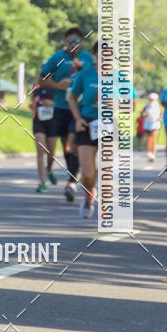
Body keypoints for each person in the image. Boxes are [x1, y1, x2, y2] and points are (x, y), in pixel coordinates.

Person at [39, 27, 93, 202]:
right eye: (69, 42)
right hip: (60, 107)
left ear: (81, 43)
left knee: (73, 143)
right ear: (64, 43)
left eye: (76, 41)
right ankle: (69, 176)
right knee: (66, 147)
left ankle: (71, 181)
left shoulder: (87, 59)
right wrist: (57, 85)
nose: (73, 45)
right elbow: (41, 79)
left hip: (79, 109)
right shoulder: (57, 58)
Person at [67, 41, 99, 218]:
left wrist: (117, 103)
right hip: (87, 123)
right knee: (87, 173)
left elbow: (131, 104)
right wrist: (78, 119)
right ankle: (89, 195)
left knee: (109, 171)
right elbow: (72, 97)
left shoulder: (119, 77)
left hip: (110, 125)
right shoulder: (85, 74)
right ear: (95, 55)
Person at [30, 84, 57, 192]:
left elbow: (64, 104)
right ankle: (42, 182)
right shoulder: (36, 87)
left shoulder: (57, 87)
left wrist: (52, 104)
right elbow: (32, 102)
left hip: (53, 122)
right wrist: (32, 105)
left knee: (51, 154)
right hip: (38, 122)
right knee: (40, 151)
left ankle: (49, 170)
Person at [142, 93, 161, 163]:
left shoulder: (158, 106)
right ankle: (149, 153)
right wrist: (145, 116)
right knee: (148, 139)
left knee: (154, 139)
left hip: (155, 124)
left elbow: (161, 114)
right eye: (150, 99)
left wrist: (159, 118)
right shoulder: (147, 106)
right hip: (147, 124)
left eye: (152, 99)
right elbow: (142, 113)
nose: (151, 100)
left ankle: (153, 154)